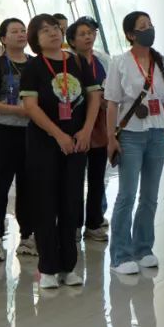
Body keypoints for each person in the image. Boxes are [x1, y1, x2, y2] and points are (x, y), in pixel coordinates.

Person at [20, 14, 102, 289]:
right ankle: (47, 268)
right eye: (45, 30)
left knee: (71, 202)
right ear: (35, 39)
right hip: (44, 143)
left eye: (55, 28)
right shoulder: (33, 67)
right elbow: (31, 107)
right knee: (45, 203)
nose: (53, 33)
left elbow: (94, 97)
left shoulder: (77, 61)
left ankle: (69, 266)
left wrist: (86, 130)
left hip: (77, 142)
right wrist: (58, 135)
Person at [104, 11, 164, 274]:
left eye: (150, 25)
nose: (149, 29)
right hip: (130, 134)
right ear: (130, 34)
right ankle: (120, 254)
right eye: (142, 26)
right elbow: (112, 103)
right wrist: (111, 137)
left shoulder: (163, 62)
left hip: (157, 133)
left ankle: (143, 248)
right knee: (127, 195)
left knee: (150, 196)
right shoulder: (120, 62)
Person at [0, 18, 35, 262]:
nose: (21, 34)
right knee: (0, 187)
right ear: (3, 38)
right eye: (14, 31)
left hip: (32, 133)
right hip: (4, 132)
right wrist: (17, 111)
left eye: (23, 30)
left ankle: (27, 237)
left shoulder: (35, 64)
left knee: (28, 187)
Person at [66, 17, 112, 241]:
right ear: (72, 40)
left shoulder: (102, 60)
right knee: (74, 178)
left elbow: (111, 88)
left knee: (97, 177)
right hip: (76, 125)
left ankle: (94, 223)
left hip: (99, 125)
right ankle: (73, 224)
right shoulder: (68, 62)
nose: (88, 37)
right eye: (82, 34)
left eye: (91, 33)